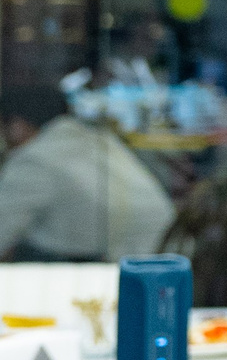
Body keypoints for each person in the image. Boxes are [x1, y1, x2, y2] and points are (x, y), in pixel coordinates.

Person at [0, 86, 175, 261]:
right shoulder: (96, 139)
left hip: (120, 264)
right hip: (169, 254)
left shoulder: (33, 159)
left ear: (17, 127)